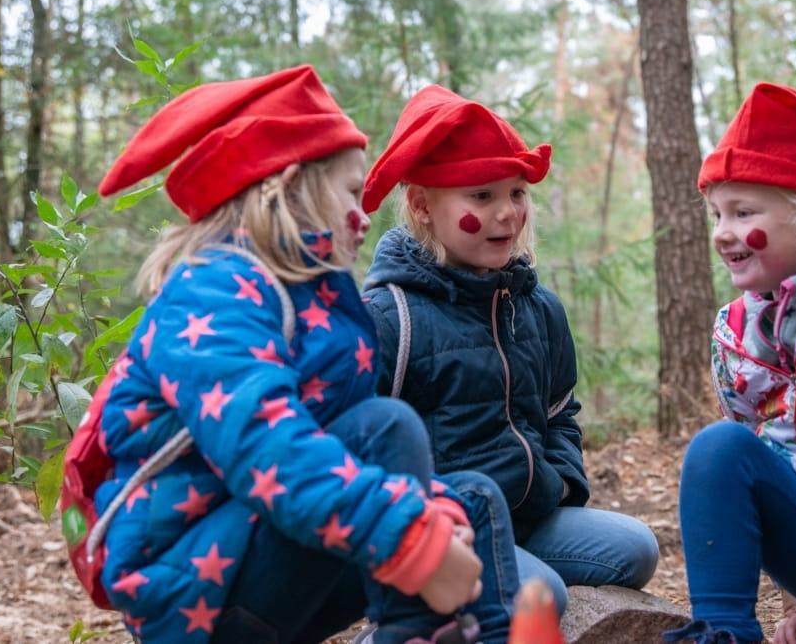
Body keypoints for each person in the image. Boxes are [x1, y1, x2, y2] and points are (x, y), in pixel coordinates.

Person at [76, 67, 519, 644]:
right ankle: (414, 629)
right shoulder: (212, 294)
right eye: (351, 194)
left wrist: (435, 519)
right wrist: (416, 540)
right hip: (190, 593)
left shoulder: (308, 296)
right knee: (383, 428)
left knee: (471, 500)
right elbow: (271, 450)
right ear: (288, 189)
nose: (364, 216)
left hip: (249, 557)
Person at [360, 85, 659, 617]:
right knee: (543, 596)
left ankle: (511, 567)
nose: (506, 213)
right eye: (482, 196)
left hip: (530, 516)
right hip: (447, 529)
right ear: (422, 205)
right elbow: (361, 441)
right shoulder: (390, 317)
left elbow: (560, 413)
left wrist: (562, 482)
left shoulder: (537, 308)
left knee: (635, 549)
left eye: (516, 193)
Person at [665, 82, 796, 644]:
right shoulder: (735, 335)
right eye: (716, 213)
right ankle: (724, 632)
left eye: (744, 211)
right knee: (718, 449)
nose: (723, 232)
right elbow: (769, 462)